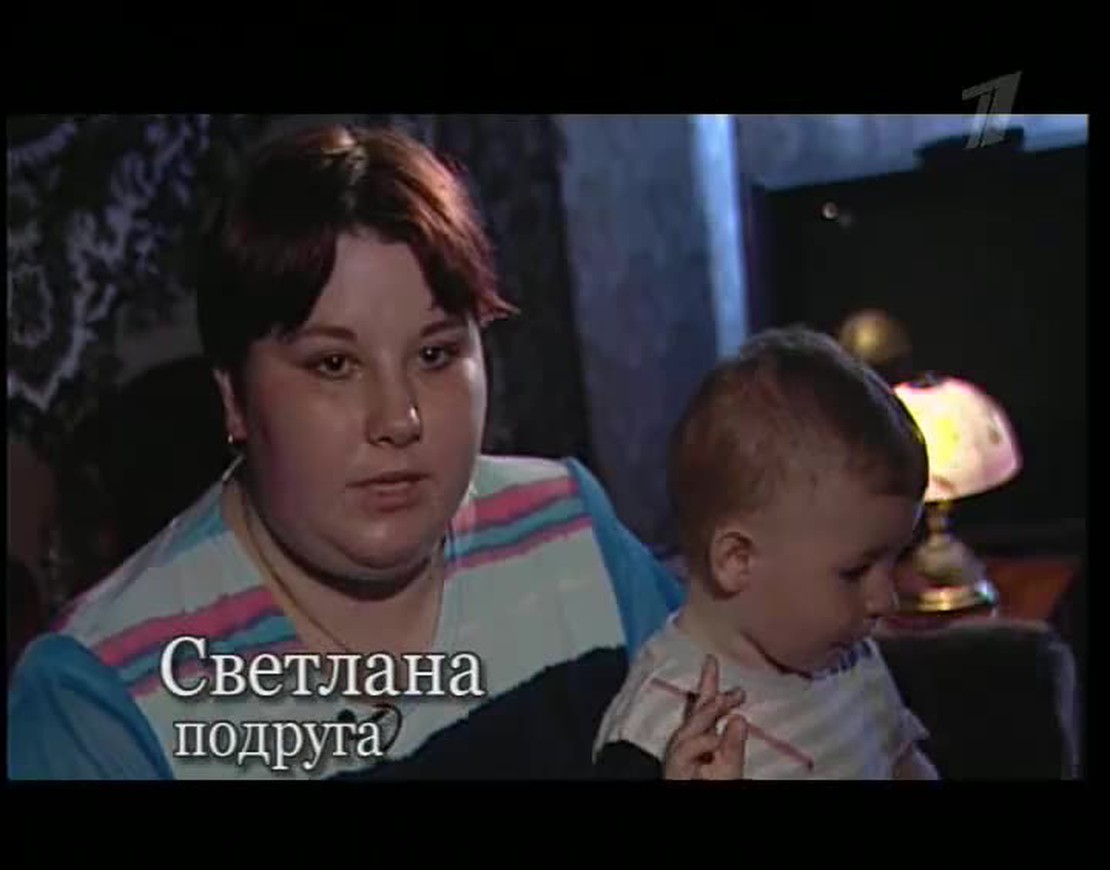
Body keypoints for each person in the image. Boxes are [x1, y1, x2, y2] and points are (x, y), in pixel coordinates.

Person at [6, 124, 683, 780]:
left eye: (435, 354)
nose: (399, 419)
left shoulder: (572, 533)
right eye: (333, 364)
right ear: (235, 398)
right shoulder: (98, 699)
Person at [594, 327, 939, 779]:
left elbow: (903, 761)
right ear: (737, 559)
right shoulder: (655, 733)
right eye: (855, 572)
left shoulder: (851, 656)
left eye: (894, 560)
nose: (885, 601)